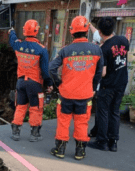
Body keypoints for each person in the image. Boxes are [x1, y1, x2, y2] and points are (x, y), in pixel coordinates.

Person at [49, 16, 104, 160]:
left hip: (66, 94)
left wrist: (59, 83)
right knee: (81, 122)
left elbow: (51, 68)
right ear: (87, 31)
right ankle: (80, 152)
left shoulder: (65, 50)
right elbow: (99, 73)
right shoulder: (97, 50)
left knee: (63, 121)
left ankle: (60, 149)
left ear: (72, 32)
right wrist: (92, 88)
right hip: (85, 95)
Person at [88, 17, 129, 152]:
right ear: (113, 29)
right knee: (114, 112)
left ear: (100, 32)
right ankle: (113, 142)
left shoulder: (103, 49)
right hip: (122, 82)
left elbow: (103, 73)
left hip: (108, 85)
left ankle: (102, 141)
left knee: (104, 112)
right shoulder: (123, 40)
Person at [9, 20, 53, 142]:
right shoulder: (42, 49)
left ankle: (16, 131)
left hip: (21, 82)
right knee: (35, 108)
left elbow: (12, 40)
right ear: (37, 31)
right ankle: (34, 134)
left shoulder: (19, 46)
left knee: (20, 106)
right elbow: (45, 70)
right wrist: (49, 83)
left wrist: (12, 31)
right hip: (35, 84)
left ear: (24, 31)